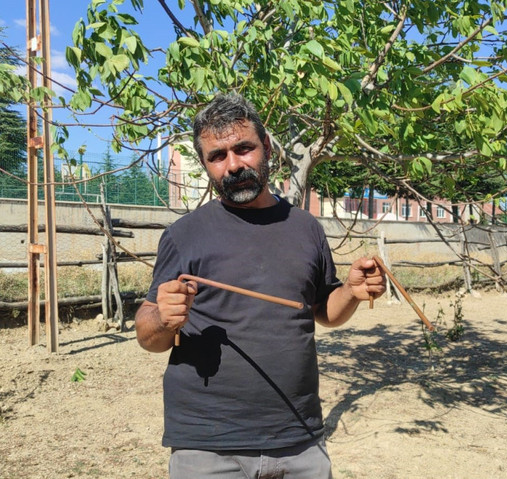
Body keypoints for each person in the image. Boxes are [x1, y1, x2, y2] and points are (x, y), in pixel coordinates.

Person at [135, 92, 386, 478]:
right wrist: (164, 320)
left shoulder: (306, 229)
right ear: (205, 164)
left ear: (266, 146)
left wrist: (351, 291)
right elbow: (149, 336)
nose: (233, 165)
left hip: (299, 438)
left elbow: (323, 312)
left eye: (244, 148)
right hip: (208, 448)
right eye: (217, 156)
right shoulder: (184, 235)